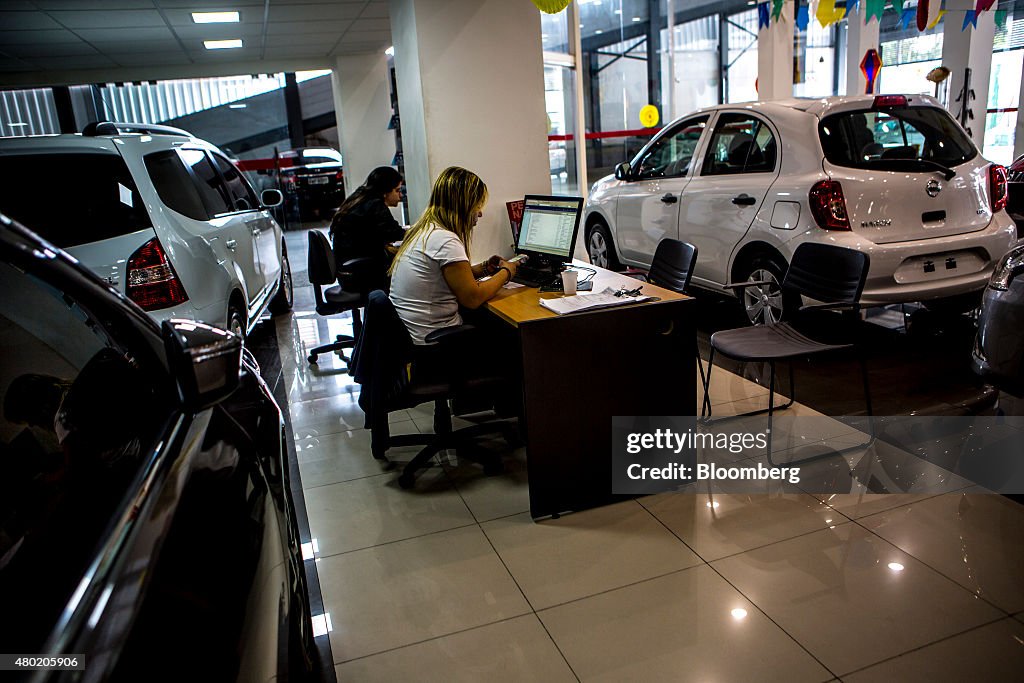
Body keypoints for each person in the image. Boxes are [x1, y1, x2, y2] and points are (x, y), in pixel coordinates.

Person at [388, 166, 519, 346]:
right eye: (477, 205)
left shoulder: (425, 230)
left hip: (415, 335)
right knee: (511, 336)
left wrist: (481, 269)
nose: (480, 213)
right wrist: (506, 272)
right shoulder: (445, 240)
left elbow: (442, 278)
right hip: (437, 343)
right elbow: (473, 298)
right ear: (463, 206)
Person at [328, 166, 405, 291]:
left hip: (348, 272)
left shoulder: (359, 198)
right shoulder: (375, 205)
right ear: (385, 192)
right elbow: (394, 233)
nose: (400, 196)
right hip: (361, 274)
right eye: (397, 191)